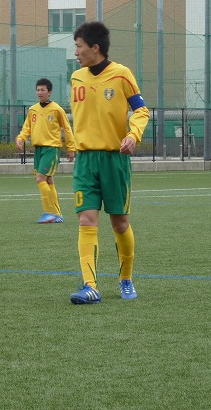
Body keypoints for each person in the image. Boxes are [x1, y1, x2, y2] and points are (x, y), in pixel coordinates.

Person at [68, 21, 150, 304]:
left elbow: (141, 110)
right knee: (86, 219)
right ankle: (90, 285)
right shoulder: (76, 78)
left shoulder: (122, 74)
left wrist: (133, 135)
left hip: (115, 160)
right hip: (85, 160)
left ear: (95, 48)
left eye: (79, 46)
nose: (76, 52)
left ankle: (126, 278)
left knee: (119, 223)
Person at [16, 78, 76, 223]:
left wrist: (71, 148)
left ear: (49, 92)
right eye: (38, 90)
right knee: (48, 180)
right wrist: (21, 138)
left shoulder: (57, 109)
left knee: (40, 178)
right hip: (39, 149)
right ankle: (57, 215)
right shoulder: (33, 110)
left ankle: (48, 213)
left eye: (43, 90)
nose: (40, 92)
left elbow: (67, 129)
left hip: (52, 149)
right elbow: (27, 127)